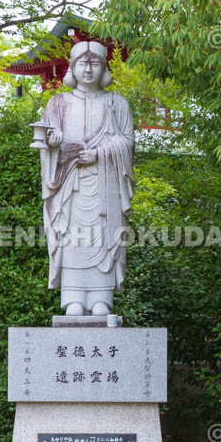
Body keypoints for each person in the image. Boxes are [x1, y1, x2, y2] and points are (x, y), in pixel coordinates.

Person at [37, 40, 135, 316]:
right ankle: (73, 299)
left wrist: (100, 153)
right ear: (72, 67)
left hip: (106, 182)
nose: (89, 70)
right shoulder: (57, 104)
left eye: (95, 64)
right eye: (83, 63)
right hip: (69, 183)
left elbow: (127, 141)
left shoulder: (117, 104)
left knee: (103, 238)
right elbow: (46, 141)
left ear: (104, 68)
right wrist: (53, 144)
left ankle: (102, 298)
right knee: (70, 237)